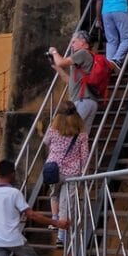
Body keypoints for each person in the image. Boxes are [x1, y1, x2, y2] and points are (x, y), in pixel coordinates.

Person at [43, 103, 89, 248]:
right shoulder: (81, 135)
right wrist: (84, 172)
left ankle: (54, 219)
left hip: (54, 170)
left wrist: (55, 151)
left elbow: (45, 142)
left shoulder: (53, 130)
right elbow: (85, 156)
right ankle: (61, 238)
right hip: (72, 174)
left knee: (54, 194)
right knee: (66, 204)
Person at [48, 30, 99, 134]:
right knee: (81, 137)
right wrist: (55, 66)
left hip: (82, 100)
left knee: (68, 132)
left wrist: (54, 51)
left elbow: (61, 62)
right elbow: (68, 80)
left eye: (74, 41)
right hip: (90, 101)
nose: (71, 45)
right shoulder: (87, 57)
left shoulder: (83, 53)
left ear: (83, 41)